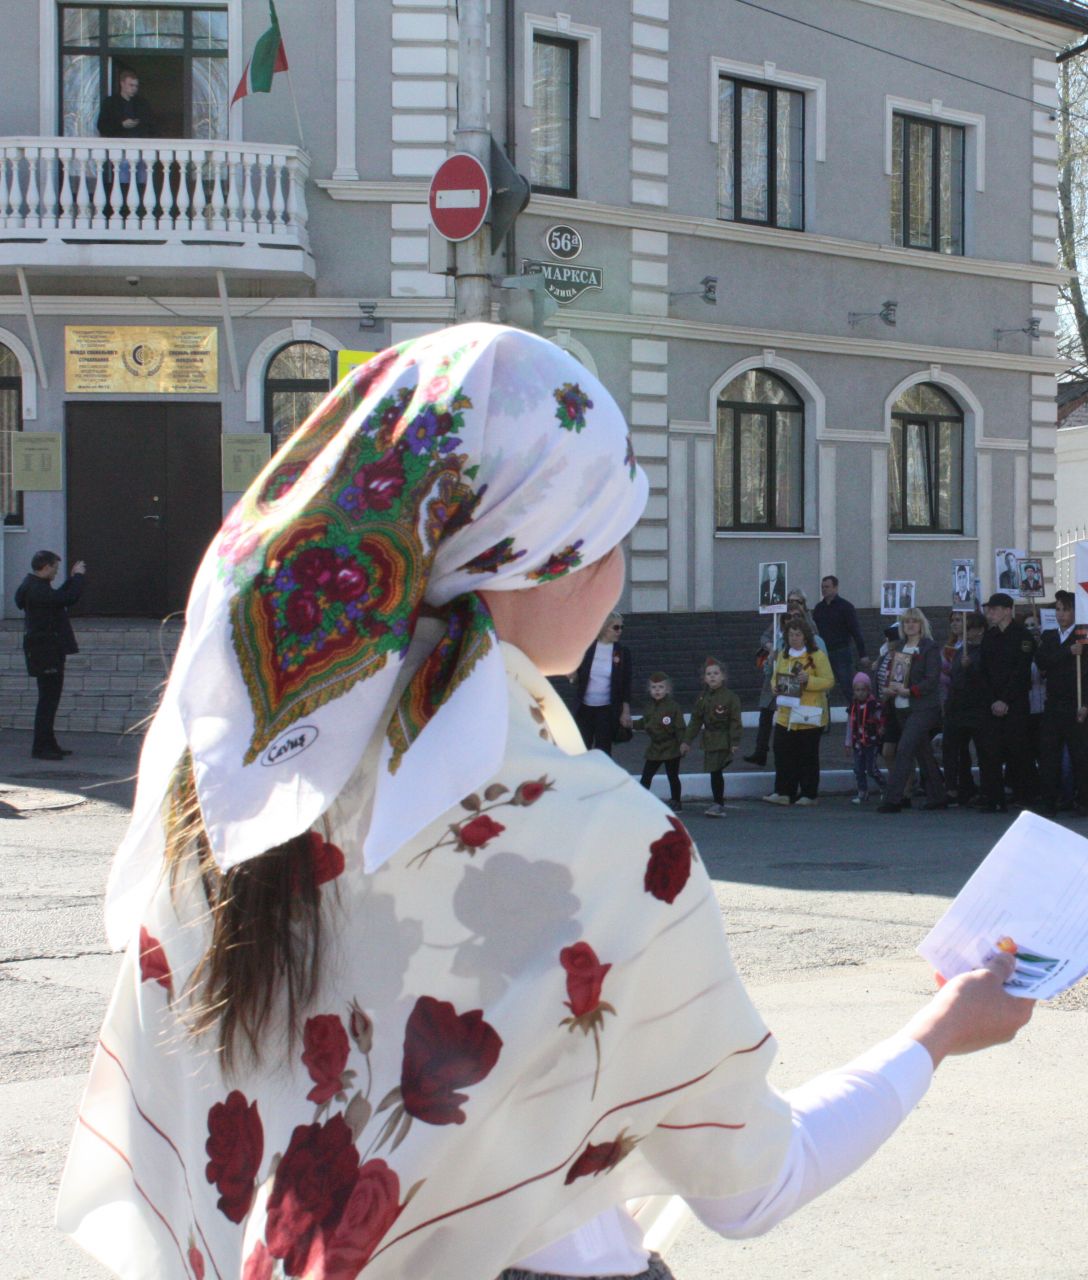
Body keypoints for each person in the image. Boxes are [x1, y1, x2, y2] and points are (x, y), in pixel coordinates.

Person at [54, 324, 1035, 1280]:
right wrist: (941, 1029)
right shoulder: (602, 838)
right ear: (536, 559)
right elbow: (754, 1179)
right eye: (611, 536)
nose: (617, 577)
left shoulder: (232, 784)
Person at [15, 550, 87, 760]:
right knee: (47, 700)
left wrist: (73, 578)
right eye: (55, 568)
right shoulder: (37, 590)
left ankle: (49, 743)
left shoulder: (36, 587)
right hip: (45, 651)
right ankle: (41, 747)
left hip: (46, 649)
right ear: (45, 567)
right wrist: (79, 577)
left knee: (49, 699)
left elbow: (58, 599)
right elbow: (68, 598)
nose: (56, 572)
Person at [1034, 590, 1088, 816]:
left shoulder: (1084, 637)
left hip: (1076, 704)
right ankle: (1050, 800)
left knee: (1079, 755)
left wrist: (1087, 704)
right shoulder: (1050, 636)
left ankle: (1083, 800)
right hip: (1054, 704)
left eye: (1066, 609)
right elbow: (1042, 660)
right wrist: (1067, 652)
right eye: (1058, 610)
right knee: (1049, 754)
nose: (1061, 614)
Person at [878, 608, 948, 814]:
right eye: (906, 622)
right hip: (901, 708)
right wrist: (890, 688)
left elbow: (932, 679)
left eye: (914, 622)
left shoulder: (929, 647)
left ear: (921, 625)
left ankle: (894, 799)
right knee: (922, 752)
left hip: (923, 708)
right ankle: (938, 795)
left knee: (904, 749)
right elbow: (895, 676)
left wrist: (910, 691)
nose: (910, 625)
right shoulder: (899, 647)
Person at [975, 592, 1036, 813]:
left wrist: (1005, 699)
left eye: (995, 608)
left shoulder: (1023, 636)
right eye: (989, 609)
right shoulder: (989, 636)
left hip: (1015, 702)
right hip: (991, 703)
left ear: (1008, 610)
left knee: (1018, 749)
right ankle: (994, 797)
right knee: (989, 750)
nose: (990, 613)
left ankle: (1024, 795)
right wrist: (993, 700)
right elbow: (983, 671)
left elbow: (1021, 672)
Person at [767, 614, 834, 805]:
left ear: (805, 636)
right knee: (782, 752)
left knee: (807, 755)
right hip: (785, 714)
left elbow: (829, 681)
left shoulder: (817, 656)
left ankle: (808, 793)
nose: (794, 638)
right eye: (790, 635)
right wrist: (774, 686)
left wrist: (809, 680)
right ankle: (783, 791)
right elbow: (775, 676)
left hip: (808, 714)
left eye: (797, 634)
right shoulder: (783, 655)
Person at [744, 592, 810, 766]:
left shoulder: (809, 626)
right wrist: (770, 648)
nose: (791, 616)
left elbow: (815, 649)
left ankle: (789, 754)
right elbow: (765, 638)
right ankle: (761, 751)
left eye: (797, 603)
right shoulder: (778, 625)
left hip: (794, 676)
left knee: (788, 712)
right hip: (774, 675)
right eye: (790, 603)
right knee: (766, 712)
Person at [567, 613, 632, 754]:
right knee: (582, 749)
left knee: (603, 750)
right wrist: (572, 677)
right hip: (585, 709)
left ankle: (601, 776)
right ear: (604, 628)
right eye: (616, 627)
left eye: (622, 627)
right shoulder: (587, 649)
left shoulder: (622, 653)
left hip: (607, 710)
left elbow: (626, 685)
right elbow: (577, 680)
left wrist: (625, 712)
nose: (619, 631)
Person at [942, 613, 988, 806]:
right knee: (955, 749)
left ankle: (986, 789)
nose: (966, 632)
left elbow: (985, 677)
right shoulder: (962, 649)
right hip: (957, 706)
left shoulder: (985, 649)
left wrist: (970, 668)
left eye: (970, 629)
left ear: (979, 630)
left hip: (976, 707)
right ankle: (960, 787)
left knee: (983, 750)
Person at [690, 658, 743, 818]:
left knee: (715, 770)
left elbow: (735, 721)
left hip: (723, 739)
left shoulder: (730, 697)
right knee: (714, 771)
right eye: (709, 674)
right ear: (704, 678)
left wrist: (734, 741)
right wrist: (686, 740)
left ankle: (718, 803)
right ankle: (718, 802)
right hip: (709, 739)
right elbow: (695, 720)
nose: (712, 676)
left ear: (723, 676)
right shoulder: (703, 698)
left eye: (716, 673)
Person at [635, 672, 689, 811]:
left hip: (671, 747)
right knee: (646, 775)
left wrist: (683, 743)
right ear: (649, 690)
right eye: (654, 687)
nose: (657, 690)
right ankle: (641, 799)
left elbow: (680, 727)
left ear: (667, 690)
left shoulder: (673, 707)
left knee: (672, 776)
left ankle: (676, 801)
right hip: (655, 748)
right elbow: (644, 722)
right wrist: (631, 724)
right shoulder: (649, 707)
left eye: (660, 687)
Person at [812, 575, 867, 704]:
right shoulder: (819, 608)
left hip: (842, 653)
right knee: (823, 689)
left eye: (827, 587)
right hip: (823, 654)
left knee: (848, 688)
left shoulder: (846, 607)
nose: (824, 590)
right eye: (822, 587)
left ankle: (857, 716)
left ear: (835, 588)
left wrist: (863, 654)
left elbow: (856, 631)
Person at [847, 672, 884, 804]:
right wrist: (847, 742)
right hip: (857, 742)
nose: (860, 693)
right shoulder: (853, 707)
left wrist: (880, 731)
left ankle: (884, 788)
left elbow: (881, 721)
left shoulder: (874, 705)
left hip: (871, 741)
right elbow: (850, 725)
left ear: (868, 690)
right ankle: (862, 792)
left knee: (871, 768)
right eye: (857, 690)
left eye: (863, 690)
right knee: (858, 768)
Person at [95, 68, 154, 141]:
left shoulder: (142, 103)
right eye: (131, 85)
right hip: (116, 145)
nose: (134, 89)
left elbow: (150, 125)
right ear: (122, 84)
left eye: (136, 86)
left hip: (138, 144)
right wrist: (121, 125)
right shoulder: (110, 102)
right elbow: (101, 126)